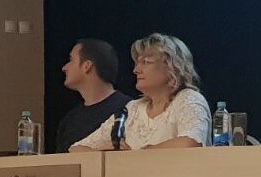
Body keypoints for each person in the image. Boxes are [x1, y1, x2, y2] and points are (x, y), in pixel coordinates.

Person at [71, 33, 209, 151]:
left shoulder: (189, 99)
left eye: (146, 62)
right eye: (137, 63)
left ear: (172, 66)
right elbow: (76, 149)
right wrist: (105, 152)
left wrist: (138, 155)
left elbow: (191, 143)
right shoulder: (132, 109)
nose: (136, 70)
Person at [53, 39, 132, 153]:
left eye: (71, 60)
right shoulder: (69, 120)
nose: (64, 67)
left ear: (87, 66)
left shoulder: (129, 109)